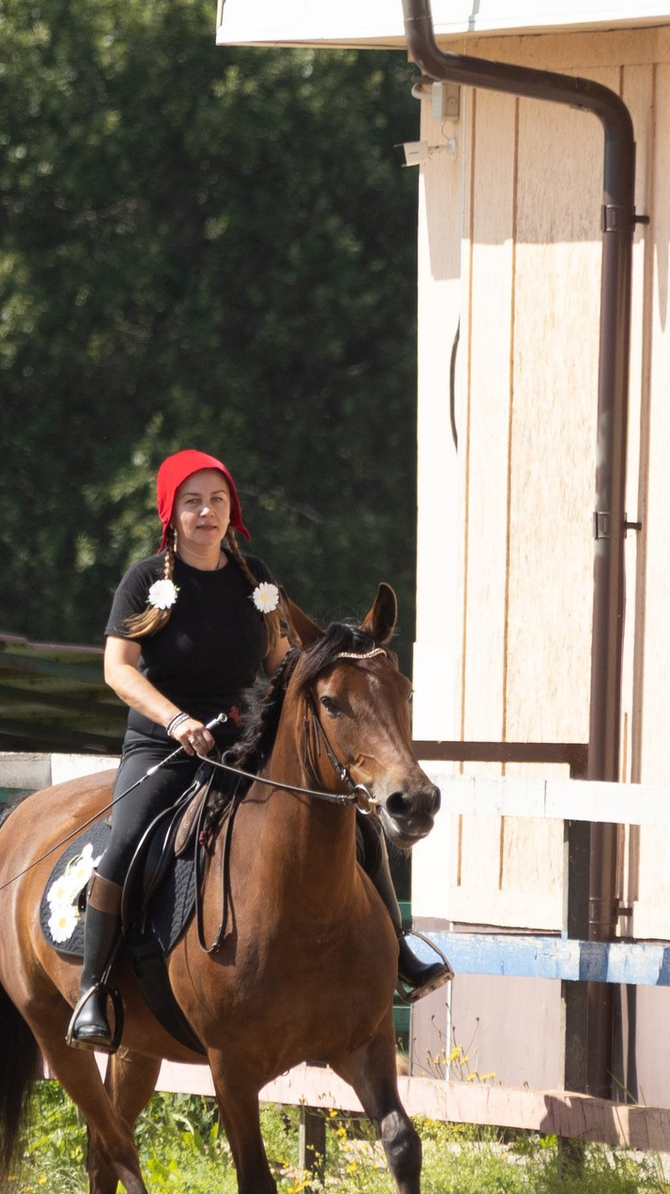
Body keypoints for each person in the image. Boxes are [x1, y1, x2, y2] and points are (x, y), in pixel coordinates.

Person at [67, 447, 449, 1049]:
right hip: (165, 748)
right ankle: (94, 991)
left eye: (217, 501)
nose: (206, 513)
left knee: (358, 827)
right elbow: (118, 670)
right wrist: (175, 720)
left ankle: (398, 954)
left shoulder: (256, 581)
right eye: (192, 501)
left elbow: (281, 664)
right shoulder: (144, 581)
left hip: (242, 746)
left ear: (231, 511)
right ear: (172, 512)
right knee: (125, 846)